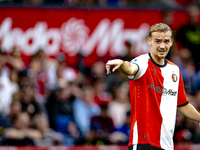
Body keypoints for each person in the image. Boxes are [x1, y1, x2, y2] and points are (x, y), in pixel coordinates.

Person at [105, 23, 200, 150]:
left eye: (166, 41)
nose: (162, 46)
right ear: (149, 41)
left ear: (171, 42)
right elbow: (131, 68)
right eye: (158, 41)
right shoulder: (142, 62)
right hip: (144, 143)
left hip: (167, 145)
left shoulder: (174, 70)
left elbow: (183, 104)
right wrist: (122, 64)